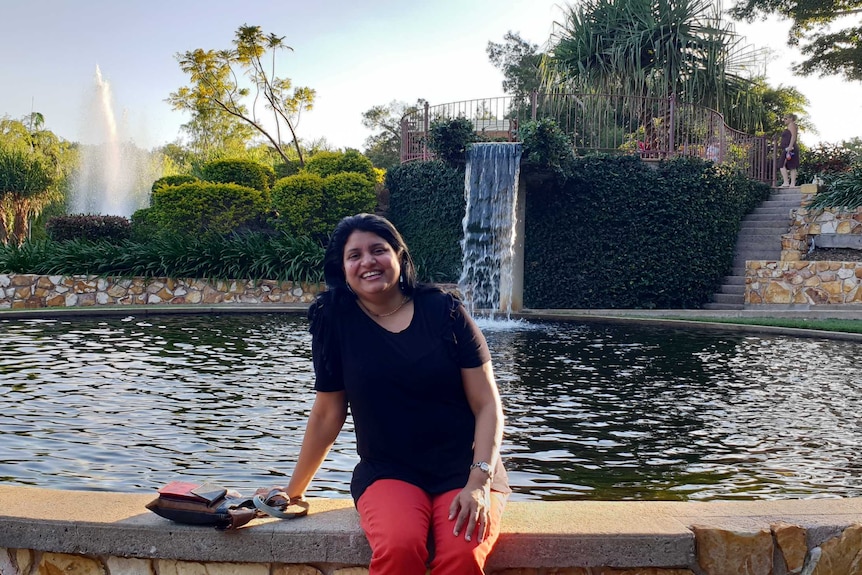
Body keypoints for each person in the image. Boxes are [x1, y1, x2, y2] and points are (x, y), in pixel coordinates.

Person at [279, 213, 510, 574]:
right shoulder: (335, 320)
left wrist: (479, 481)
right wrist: (293, 491)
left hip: (465, 467)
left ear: (399, 257)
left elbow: (487, 405)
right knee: (399, 546)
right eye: (354, 255)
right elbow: (328, 412)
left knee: (462, 553)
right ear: (342, 267)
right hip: (390, 471)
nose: (368, 262)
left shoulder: (445, 312)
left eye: (378, 250)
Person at [779, 113, 800, 187]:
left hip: (790, 148)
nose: (784, 120)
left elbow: (794, 136)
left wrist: (790, 147)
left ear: (791, 118)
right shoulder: (790, 125)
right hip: (788, 147)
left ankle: (789, 183)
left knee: (786, 164)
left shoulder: (792, 125)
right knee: (788, 165)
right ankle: (789, 183)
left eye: (786, 118)